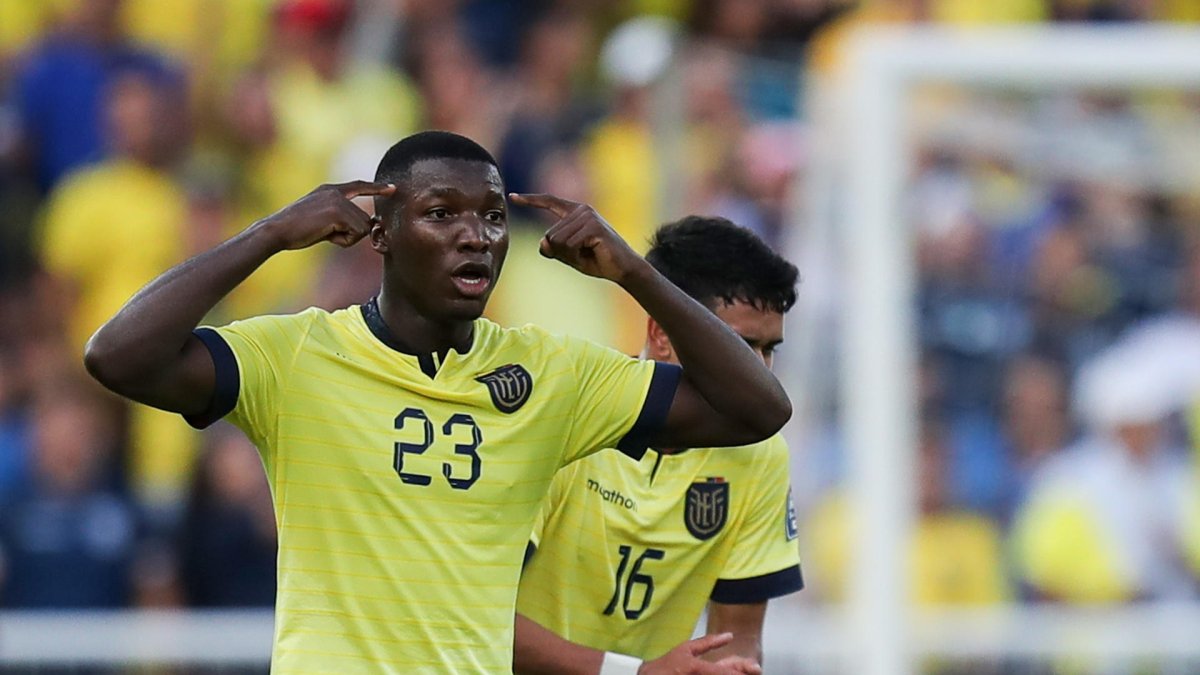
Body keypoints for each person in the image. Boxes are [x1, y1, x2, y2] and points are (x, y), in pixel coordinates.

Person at [83, 131, 791, 673]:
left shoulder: (550, 374)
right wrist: (268, 236)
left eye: (489, 217)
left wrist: (634, 272)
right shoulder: (296, 357)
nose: (474, 235)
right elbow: (117, 355)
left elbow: (757, 410)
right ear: (381, 234)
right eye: (441, 213)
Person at [513, 217, 803, 675]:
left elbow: (738, 641)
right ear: (662, 336)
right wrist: (632, 673)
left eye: (769, 349)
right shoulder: (565, 413)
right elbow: (475, 612)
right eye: (739, 346)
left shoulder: (760, 455)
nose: (760, 372)